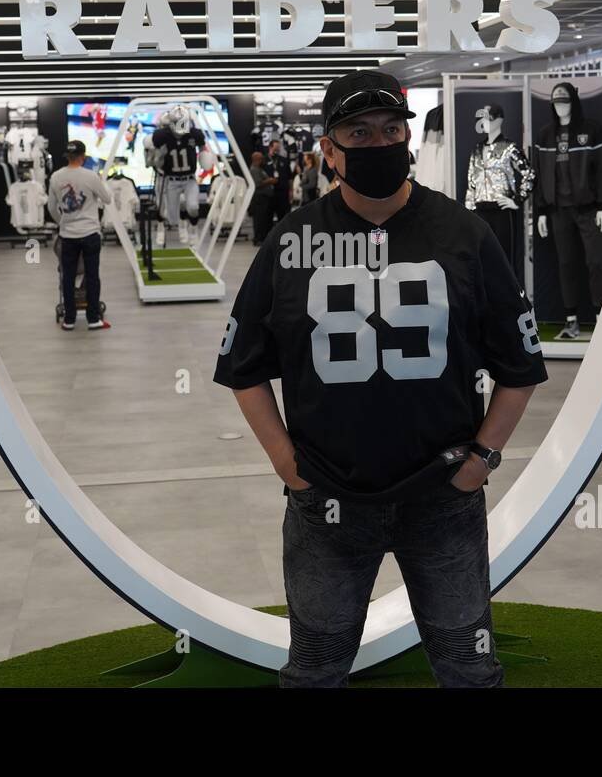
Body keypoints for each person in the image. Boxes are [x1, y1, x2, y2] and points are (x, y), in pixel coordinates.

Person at [214, 70, 548, 688]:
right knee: (315, 669)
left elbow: (520, 365)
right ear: (329, 149)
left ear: (409, 137)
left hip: (442, 494)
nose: (378, 144)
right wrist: (285, 461)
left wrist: (483, 458)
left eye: (391, 129)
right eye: (358, 132)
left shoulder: (464, 235)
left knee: (469, 667)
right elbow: (243, 368)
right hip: (328, 498)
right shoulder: (292, 241)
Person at [47, 140, 112, 331]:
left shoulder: (56, 177)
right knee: (92, 276)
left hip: (68, 235)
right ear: (83, 157)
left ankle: (69, 320)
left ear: (67, 157)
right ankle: (93, 319)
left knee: (67, 277)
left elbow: (51, 207)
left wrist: (62, 222)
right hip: (90, 232)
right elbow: (107, 198)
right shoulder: (90, 176)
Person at [248, 150, 276, 244]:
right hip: (259, 198)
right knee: (259, 219)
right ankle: (258, 238)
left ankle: (262, 237)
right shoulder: (254, 170)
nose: (263, 160)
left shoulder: (259, 169)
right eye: (261, 159)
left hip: (264, 198)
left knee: (263, 219)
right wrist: (270, 181)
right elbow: (257, 183)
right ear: (257, 159)